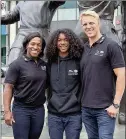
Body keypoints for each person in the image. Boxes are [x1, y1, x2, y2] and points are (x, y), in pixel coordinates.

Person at [80, 10, 125, 139]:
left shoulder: (111, 46)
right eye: (85, 24)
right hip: (86, 108)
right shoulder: (83, 49)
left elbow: (121, 75)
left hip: (105, 109)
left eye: (91, 23)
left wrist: (116, 104)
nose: (88, 27)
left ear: (98, 24)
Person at [3, 32, 47, 139]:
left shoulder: (44, 65)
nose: (35, 47)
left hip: (39, 110)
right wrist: (7, 112)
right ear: (27, 45)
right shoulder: (17, 64)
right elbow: (8, 88)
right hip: (21, 110)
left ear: (41, 48)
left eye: (39, 45)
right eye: (32, 44)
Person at [46, 28, 83, 139]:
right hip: (54, 114)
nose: (62, 42)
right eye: (59, 40)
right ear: (55, 43)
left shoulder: (78, 61)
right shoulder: (50, 62)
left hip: (74, 114)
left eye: (66, 39)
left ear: (71, 41)